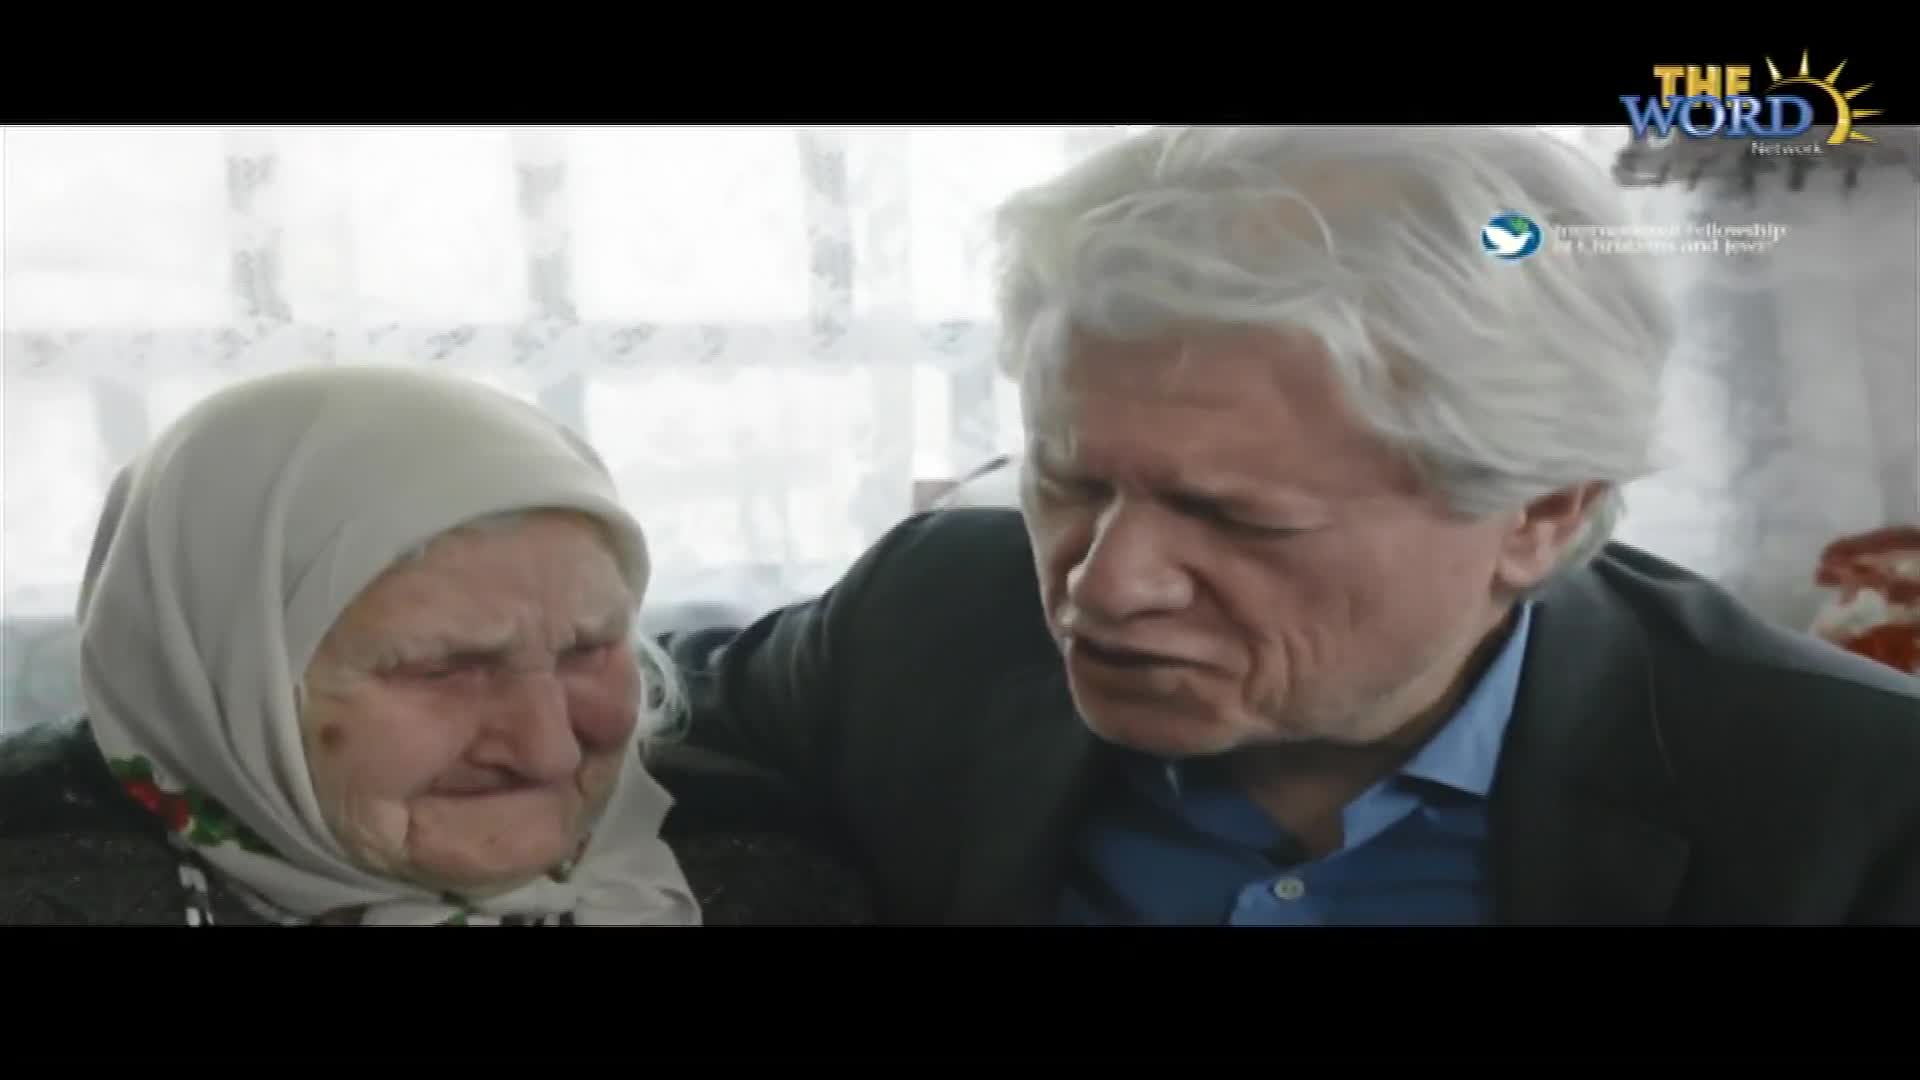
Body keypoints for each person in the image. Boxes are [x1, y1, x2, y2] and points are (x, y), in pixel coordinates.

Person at [649, 125, 1920, 925]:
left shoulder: (1850, 806)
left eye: (1235, 517)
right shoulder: (931, 614)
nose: (1107, 585)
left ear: (1538, 513)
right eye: (1072, 482)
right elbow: (643, 746)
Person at [0, 366, 870, 925]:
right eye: (442, 667)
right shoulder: (43, 881)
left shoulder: (753, 871)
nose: (549, 744)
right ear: (216, 680)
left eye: (588, 650)